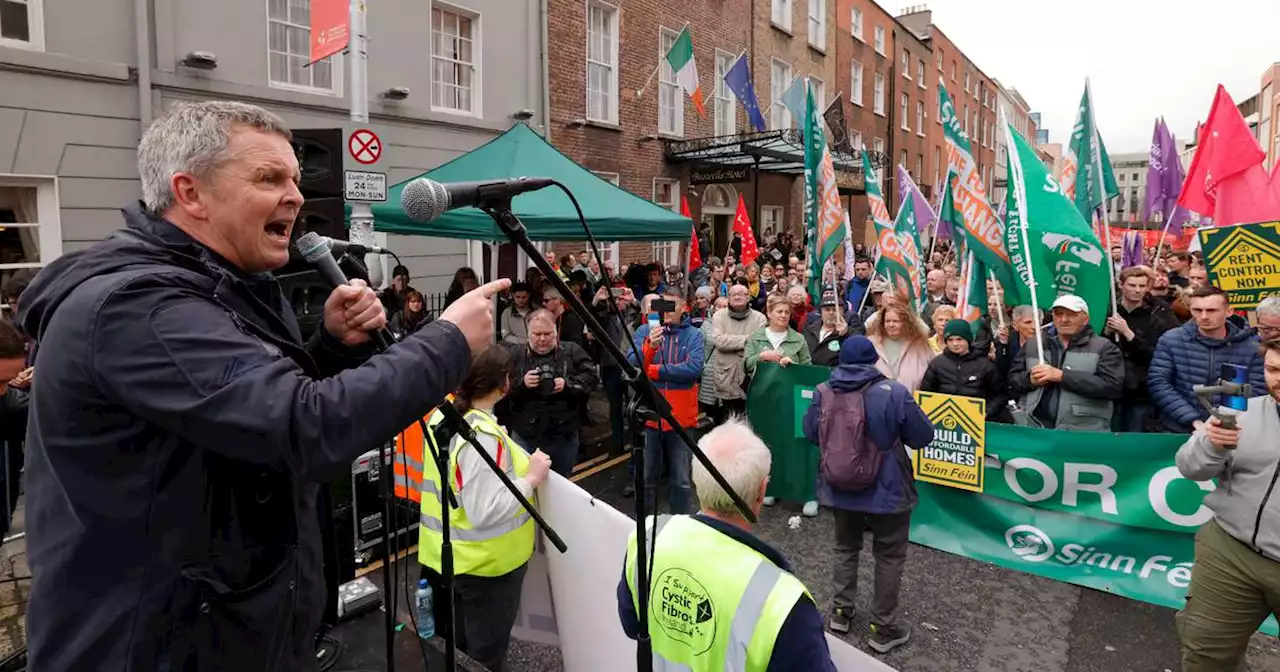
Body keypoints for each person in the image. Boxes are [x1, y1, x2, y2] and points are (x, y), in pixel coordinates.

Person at [16, 101, 504, 670]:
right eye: (269, 178)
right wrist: (447, 340)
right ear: (190, 192)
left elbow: (249, 419)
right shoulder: (140, 307)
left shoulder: (228, 286)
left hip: (233, 634)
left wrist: (330, 345)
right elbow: (303, 427)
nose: (296, 196)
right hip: (153, 647)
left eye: (295, 178)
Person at [617, 419, 837, 672]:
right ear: (761, 490)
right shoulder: (783, 603)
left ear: (696, 479)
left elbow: (632, 624)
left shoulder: (648, 535)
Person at [418, 344, 552, 671]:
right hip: (486, 568)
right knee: (484, 657)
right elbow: (484, 512)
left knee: (456, 649)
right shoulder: (481, 436)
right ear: (503, 384)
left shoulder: (444, 414)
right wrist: (531, 479)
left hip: (450, 559)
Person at [803, 336, 934, 653]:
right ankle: (882, 627)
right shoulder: (893, 391)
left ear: (842, 361)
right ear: (874, 360)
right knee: (888, 555)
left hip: (840, 484)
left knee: (845, 548)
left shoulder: (823, 391)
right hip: (888, 488)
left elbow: (809, 433)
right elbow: (922, 436)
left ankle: (840, 612)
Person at [1174, 337, 1280, 671]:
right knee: (1206, 653)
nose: (1279, 380)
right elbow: (1190, 467)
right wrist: (1212, 446)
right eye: (1273, 369)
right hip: (1230, 552)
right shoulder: (1240, 413)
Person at [1149, 285, 1267, 434]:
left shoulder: (1252, 346)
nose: (1203, 316)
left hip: (1234, 429)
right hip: (1180, 429)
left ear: (1229, 311)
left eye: (1211, 310)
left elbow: (1257, 388)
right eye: (1197, 310)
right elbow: (1159, 383)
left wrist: (1222, 421)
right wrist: (1193, 420)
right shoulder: (1171, 340)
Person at [629, 289, 704, 514]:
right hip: (651, 416)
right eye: (662, 306)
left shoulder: (694, 335)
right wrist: (650, 347)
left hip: (682, 418)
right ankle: (644, 522)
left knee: (681, 479)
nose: (665, 312)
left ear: (684, 308)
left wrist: (653, 371)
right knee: (647, 476)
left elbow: (693, 369)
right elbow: (632, 362)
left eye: (671, 306)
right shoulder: (645, 330)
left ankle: (680, 523)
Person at [502, 309, 598, 476]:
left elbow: (592, 378)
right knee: (524, 485)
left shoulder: (572, 351)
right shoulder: (514, 355)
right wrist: (521, 383)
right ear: (528, 333)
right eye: (537, 334)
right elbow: (499, 390)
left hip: (563, 435)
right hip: (525, 435)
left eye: (548, 333)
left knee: (561, 486)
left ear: (556, 332)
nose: (542, 339)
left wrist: (567, 385)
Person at [1008, 294, 1123, 431]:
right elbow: (1013, 381)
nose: (1064, 319)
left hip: (1083, 431)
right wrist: (1030, 380)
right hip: (1034, 427)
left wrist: (1062, 376)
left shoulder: (1104, 347)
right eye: (1058, 314)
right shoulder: (1034, 345)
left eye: (1071, 315)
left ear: (1085, 319)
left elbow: (1111, 387)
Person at [745, 294, 815, 515]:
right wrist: (761, 357)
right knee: (767, 443)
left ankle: (805, 493)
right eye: (779, 312)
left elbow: (808, 368)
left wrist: (793, 366)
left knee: (796, 446)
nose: (783, 315)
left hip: (791, 400)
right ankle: (771, 488)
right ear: (769, 313)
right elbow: (745, 365)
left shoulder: (798, 339)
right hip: (764, 399)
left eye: (787, 312)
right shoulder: (756, 337)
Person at [1106, 267, 1179, 432]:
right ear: (1121, 285)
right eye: (1132, 285)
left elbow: (1157, 354)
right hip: (1110, 386)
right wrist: (1106, 333)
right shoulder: (1109, 311)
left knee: (1135, 434)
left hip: (1140, 391)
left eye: (1141, 286)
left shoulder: (1156, 317)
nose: (1137, 290)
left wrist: (1128, 334)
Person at [920, 320, 1014, 423]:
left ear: (968, 339)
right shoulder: (937, 364)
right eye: (950, 340)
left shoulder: (985, 365)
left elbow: (1001, 395)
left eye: (959, 339)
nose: (955, 344)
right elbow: (926, 394)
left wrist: (986, 412)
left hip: (976, 423)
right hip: (944, 422)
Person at [709, 283, 767, 421]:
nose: (737, 296)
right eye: (733, 294)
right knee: (727, 422)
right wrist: (748, 339)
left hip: (750, 379)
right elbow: (719, 342)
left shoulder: (760, 318)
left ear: (748, 298)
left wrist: (731, 341)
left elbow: (758, 344)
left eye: (741, 294)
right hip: (725, 377)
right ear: (728, 298)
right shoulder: (719, 316)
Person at [865, 299, 934, 394]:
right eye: (887, 321)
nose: (891, 325)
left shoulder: (920, 345)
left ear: (906, 323)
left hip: (910, 402)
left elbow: (933, 375)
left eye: (896, 321)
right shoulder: (871, 343)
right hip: (878, 402)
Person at [804, 288, 853, 367]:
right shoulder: (809, 330)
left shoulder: (851, 334)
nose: (831, 313)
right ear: (821, 312)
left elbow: (851, 357)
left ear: (842, 312)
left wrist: (845, 335)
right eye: (827, 310)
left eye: (834, 310)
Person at [500, 281, 534, 346]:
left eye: (524, 297)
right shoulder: (506, 313)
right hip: (517, 349)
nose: (521, 300)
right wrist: (523, 341)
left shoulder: (536, 310)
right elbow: (506, 336)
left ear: (529, 295)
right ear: (513, 295)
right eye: (518, 297)